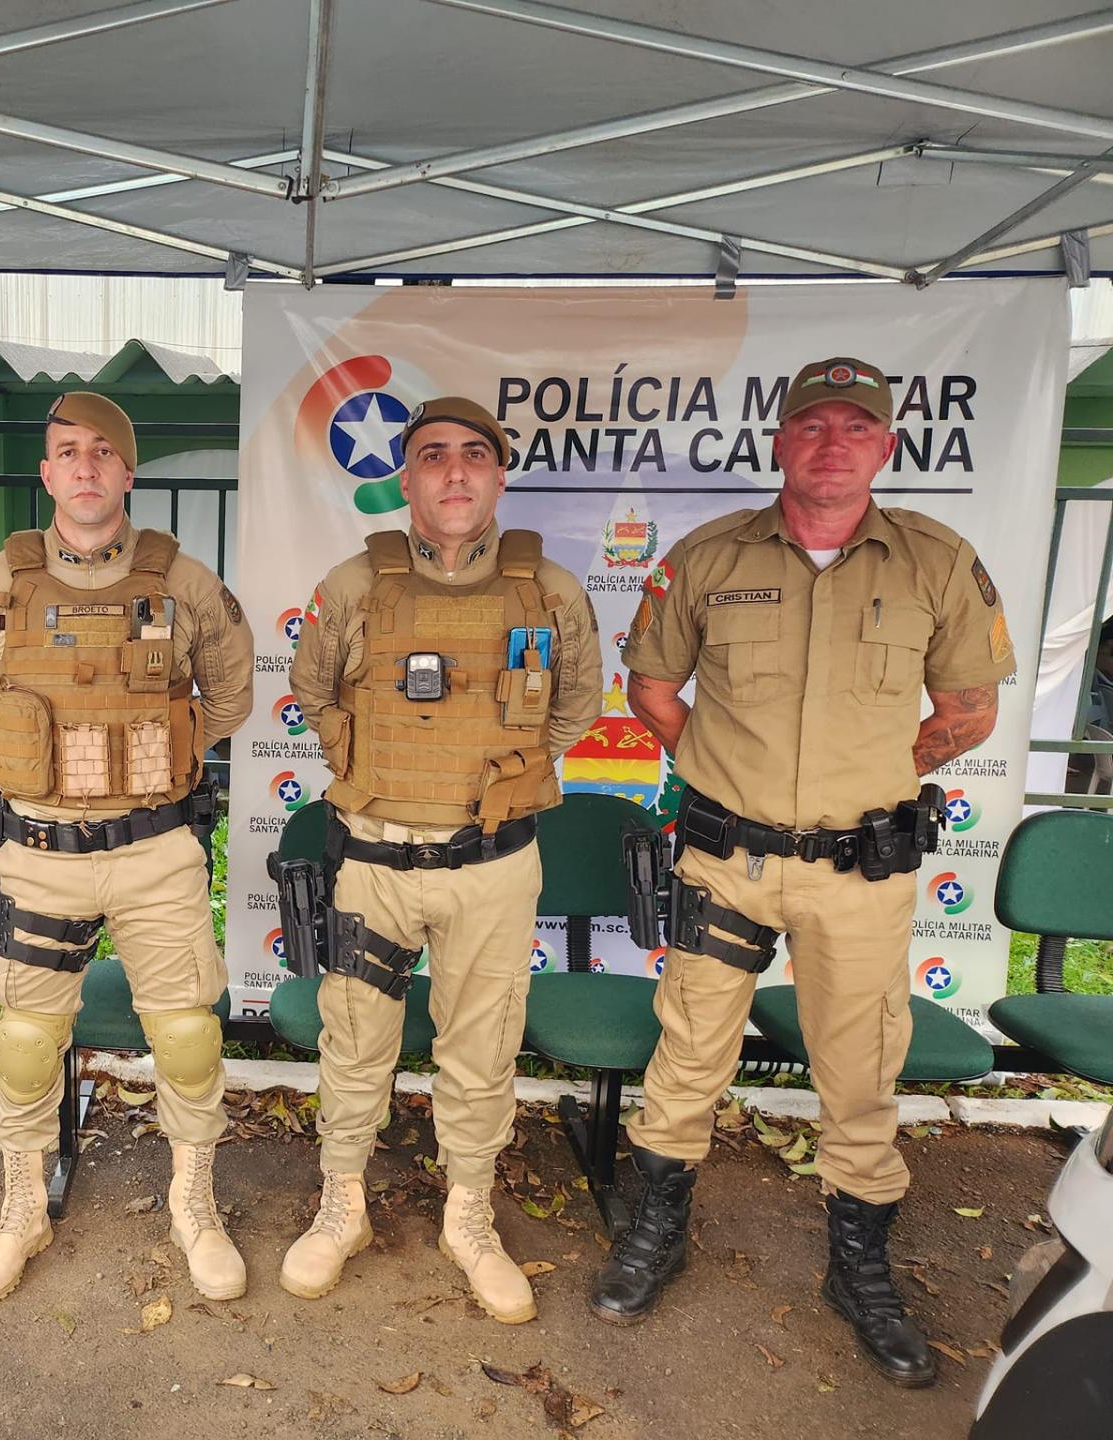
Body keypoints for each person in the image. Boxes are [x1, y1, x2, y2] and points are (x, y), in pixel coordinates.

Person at [590, 357, 1014, 1388]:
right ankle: (657, 1231)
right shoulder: (710, 554)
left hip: (857, 877)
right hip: (725, 859)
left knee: (861, 1069)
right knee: (687, 1052)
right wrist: (718, 771)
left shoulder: (935, 562)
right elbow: (650, 687)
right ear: (778, 443)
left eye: (854, 429)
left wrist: (870, 780)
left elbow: (967, 713)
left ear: (887, 448)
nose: (832, 444)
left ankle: (859, 1268)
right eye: (812, 426)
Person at [281, 396, 602, 1320]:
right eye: (432, 457)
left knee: (481, 1044)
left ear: (499, 475)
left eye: (474, 455)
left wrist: (501, 776)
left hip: (492, 866)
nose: (454, 473)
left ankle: (470, 1211)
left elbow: (576, 703)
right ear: (407, 478)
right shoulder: (352, 585)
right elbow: (311, 689)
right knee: (355, 1039)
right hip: (374, 862)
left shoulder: (549, 592)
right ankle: (342, 1204)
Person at [0, 392, 255, 1305]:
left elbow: (228, 696)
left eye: (102, 453)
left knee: (189, 1035)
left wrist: (160, 749)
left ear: (127, 472)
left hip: (157, 851)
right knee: (30, 1040)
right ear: (47, 473)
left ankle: (194, 1203)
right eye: (67, 452)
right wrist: (39, 758)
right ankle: (22, 1210)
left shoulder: (185, 582)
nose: (85, 467)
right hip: (41, 852)